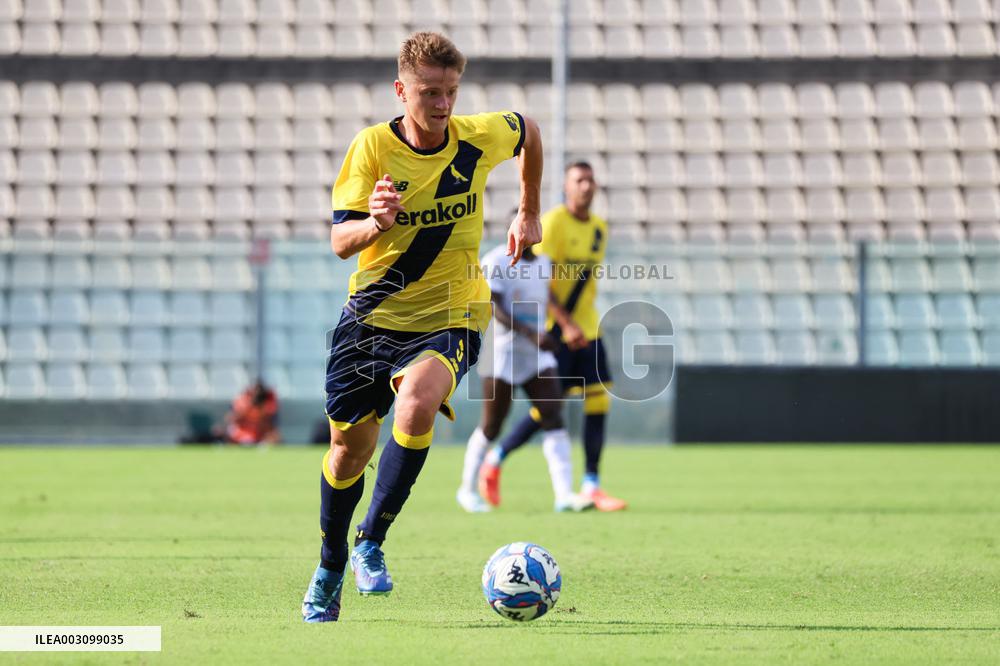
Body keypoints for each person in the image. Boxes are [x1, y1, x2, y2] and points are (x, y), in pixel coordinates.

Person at [302, 31, 543, 623]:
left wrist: (528, 209)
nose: (442, 104)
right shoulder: (371, 148)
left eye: (451, 91)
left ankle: (371, 541)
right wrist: (375, 224)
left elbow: (528, 131)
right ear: (401, 89)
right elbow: (340, 242)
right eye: (430, 92)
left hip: (452, 314)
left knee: (417, 402)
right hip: (372, 318)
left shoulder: (477, 137)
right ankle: (331, 564)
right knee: (347, 454)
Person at [478, 162, 627, 513]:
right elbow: (542, 283)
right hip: (557, 331)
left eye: (590, 180)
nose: (586, 186)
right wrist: (565, 324)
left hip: (588, 328)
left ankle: (591, 484)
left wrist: (580, 324)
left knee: (598, 401)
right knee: (549, 409)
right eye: (579, 180)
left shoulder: (599, 229)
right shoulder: (554, 223)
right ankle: (496, 458)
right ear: (566, 187)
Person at [456, 237, 593, 514]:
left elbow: (548, 296)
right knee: (492, 425)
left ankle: (564, 495)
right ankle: (467, 490)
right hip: (501, 352)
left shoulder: (543, 263)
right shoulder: (495, 261)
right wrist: (531, 334)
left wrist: (566, 324)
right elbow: (493, 305)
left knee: (553, 415)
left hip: (536, 355)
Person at [218, 380, 281, 445]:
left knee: (274, 437)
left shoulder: (269, 403)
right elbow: (231, 419)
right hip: (242, 432)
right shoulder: (243, 401)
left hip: (260, 433)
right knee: (232, 432)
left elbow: (270, 425)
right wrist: (247, 409)